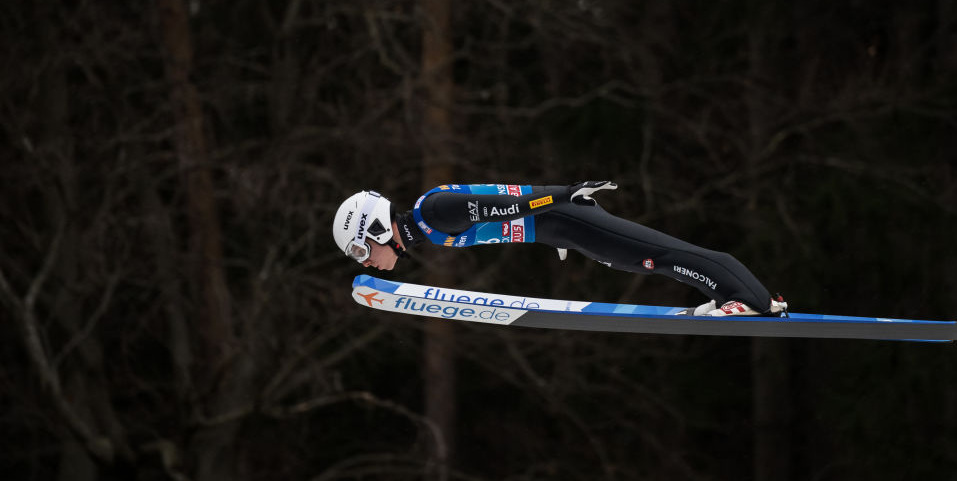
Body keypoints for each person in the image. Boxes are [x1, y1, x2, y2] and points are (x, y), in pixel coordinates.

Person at [332, 181, 787, 316]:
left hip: (568, 219)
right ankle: (750, 299)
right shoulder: (430, 226)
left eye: (360, 250)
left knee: (656, 254)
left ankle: (747, 299)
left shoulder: (434, 212)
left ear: (374, 228)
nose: (368, 261)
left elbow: (508, 205)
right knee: (644, 260)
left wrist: (564, 195)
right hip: (564, 230)